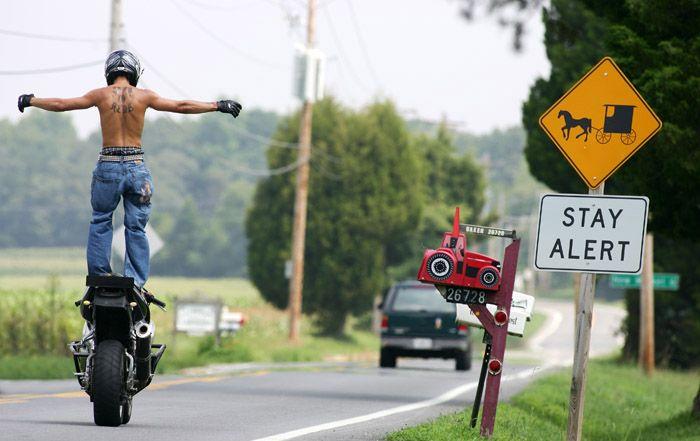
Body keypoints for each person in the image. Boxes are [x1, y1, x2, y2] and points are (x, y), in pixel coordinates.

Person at [17, 49, 242, 288]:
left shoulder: (100, 95)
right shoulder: (144, 96)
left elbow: (62, 104)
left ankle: (100, 276)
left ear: (109, 71)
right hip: (136, 169)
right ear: (134, 72)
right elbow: (181, 106)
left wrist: (31, 100)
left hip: (108, 166)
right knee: (136, 226)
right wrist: (217, 105)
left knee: (101, 219)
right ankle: (134, 283)